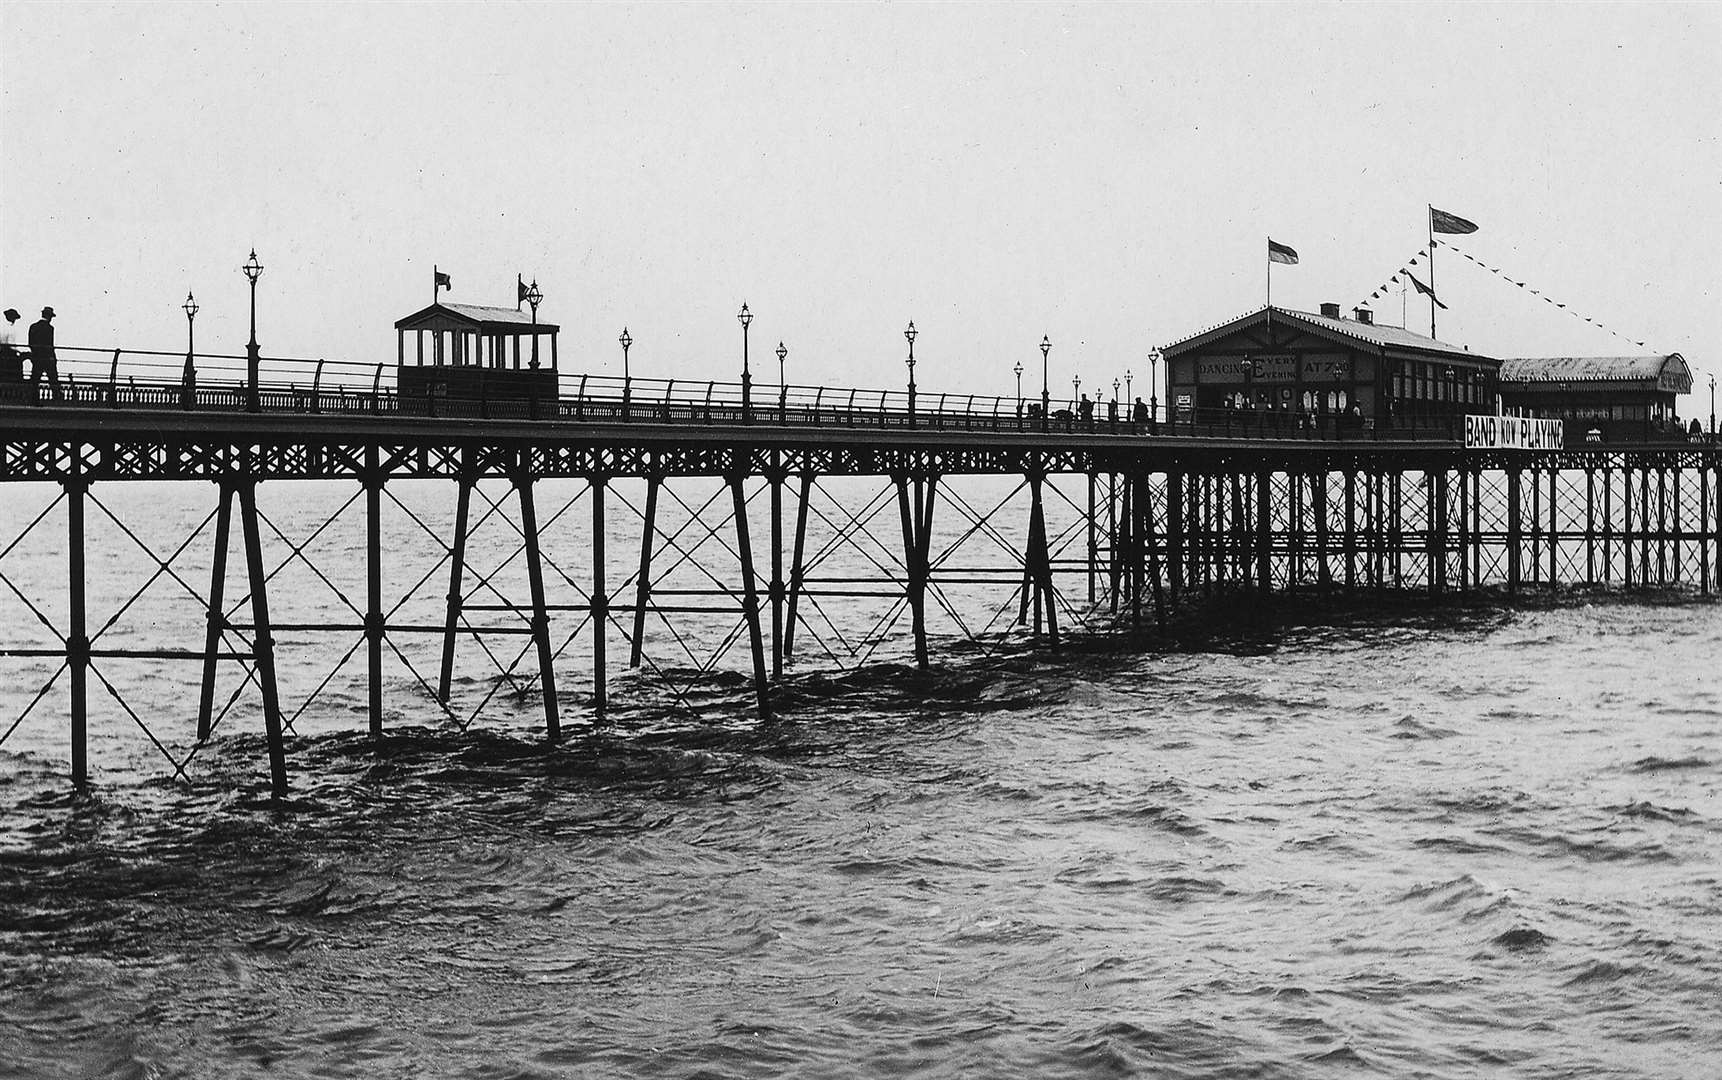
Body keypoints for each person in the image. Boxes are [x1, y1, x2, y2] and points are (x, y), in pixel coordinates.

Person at [29, 306, 60, 401]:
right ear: (49, 317)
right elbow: (50, 344)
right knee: (53, 378)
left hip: (37, 357)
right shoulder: (50, 328)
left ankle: (34, 398)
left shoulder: (33, 326)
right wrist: (53, 358)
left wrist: (35, 354)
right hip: (47, 358)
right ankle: (57, 398)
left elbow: (30, 343)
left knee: (35, 378)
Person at [0, 308, 20, 380]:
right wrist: (19, 351)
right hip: (9, 353)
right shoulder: (11, 328)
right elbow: (11, 344)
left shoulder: (2, 327)